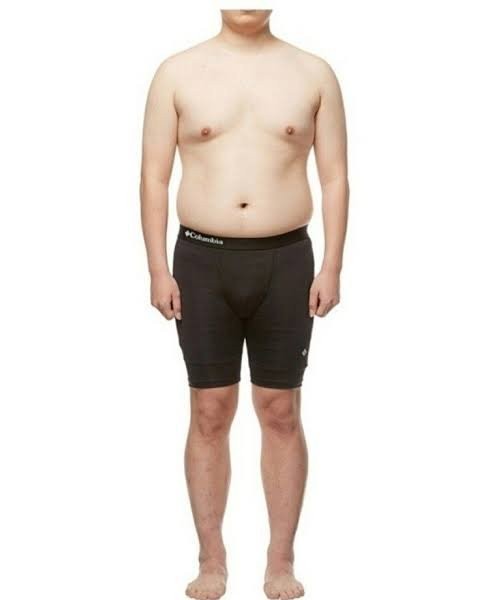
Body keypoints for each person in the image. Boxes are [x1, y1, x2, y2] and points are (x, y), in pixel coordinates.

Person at [140, 9, 349, 600]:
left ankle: (280, 562)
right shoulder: (177, 72)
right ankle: (211, 560)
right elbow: (153, 177)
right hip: (201, 261)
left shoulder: (313, 72)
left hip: (286, 260)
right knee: (210, 409)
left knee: (280, 410)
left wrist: (332, 265)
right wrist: (157, 268)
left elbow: (335, 177)